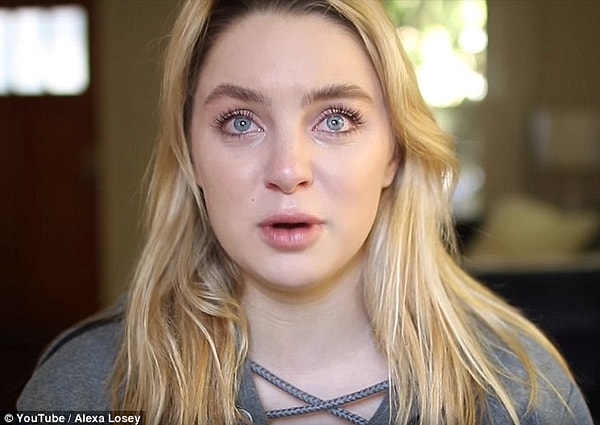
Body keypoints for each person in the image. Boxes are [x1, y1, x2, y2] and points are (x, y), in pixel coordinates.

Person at [18, 0, 593, 424]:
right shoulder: (84, 391)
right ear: (191, 156)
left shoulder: (519, 392)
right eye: (240, 121)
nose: (288, 169)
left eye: (336, 120)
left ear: (394, 154)